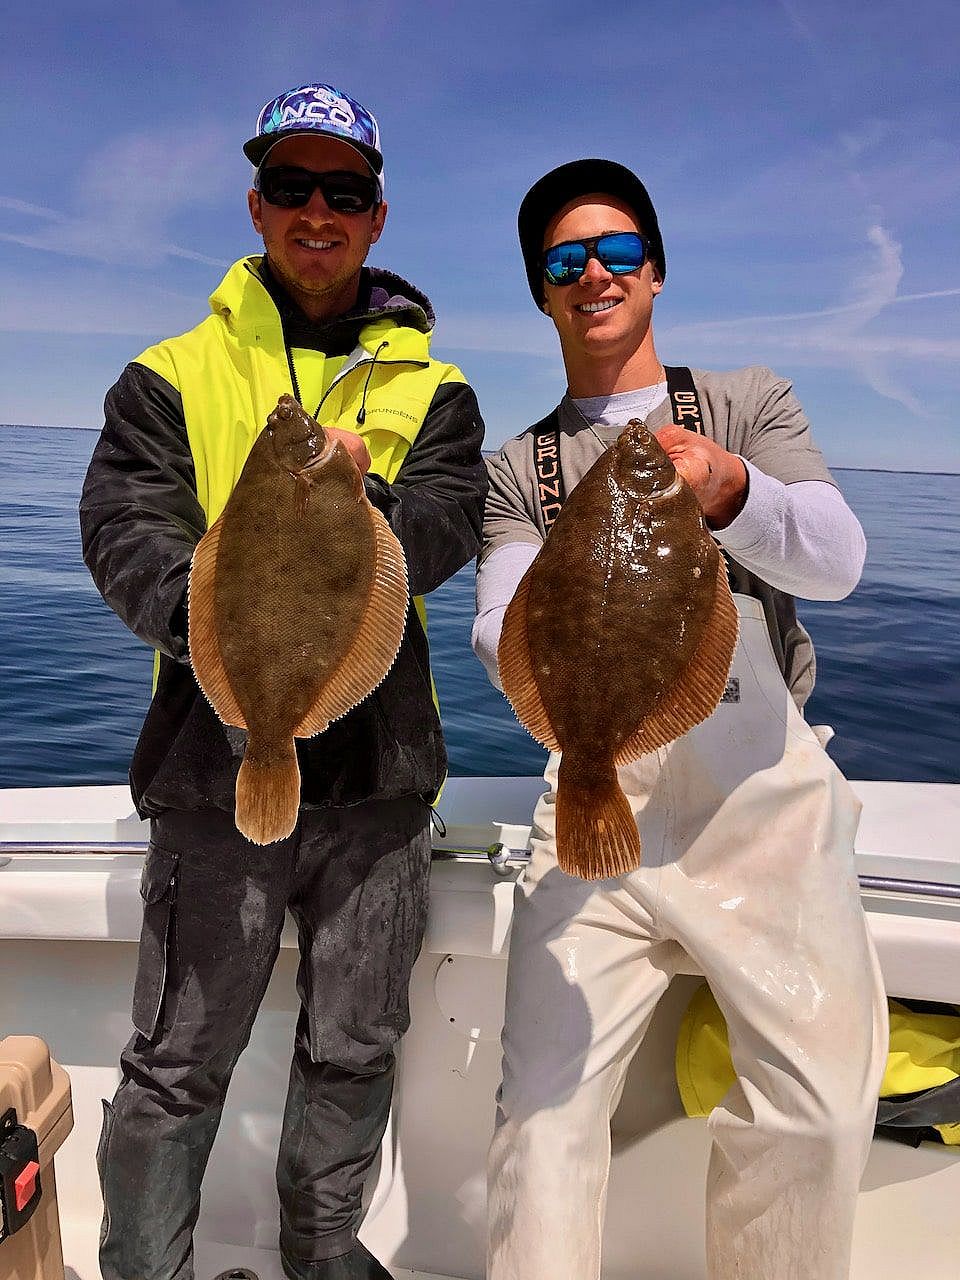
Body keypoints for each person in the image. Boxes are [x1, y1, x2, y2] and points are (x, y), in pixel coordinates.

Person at [80, 83, 486, 1280]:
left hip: (382, 783)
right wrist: (226, 631)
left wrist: (355, 503)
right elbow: (125, 533)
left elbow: (452, 522)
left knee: (357, 1049)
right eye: (295, 188)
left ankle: (323, 1260)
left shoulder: (438, 387)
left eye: (344, 192)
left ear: (375, 215)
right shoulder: (167, 373)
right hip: (217, 770)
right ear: (258, 204)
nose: (319, 211)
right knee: (177, 1059)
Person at [473, 159, 888, 1280]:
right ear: (543, 291)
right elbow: (499, 620)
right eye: (566, 261)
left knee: (817, 1112)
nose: (594, 273)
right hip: (593, 788)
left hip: (760, 805)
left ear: (655, 270)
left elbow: (841, 561)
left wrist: (732, 492)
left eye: (616, 251)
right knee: (542, 1121)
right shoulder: (520, 469)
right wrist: (580, 611)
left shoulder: (748, 401)